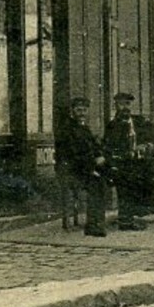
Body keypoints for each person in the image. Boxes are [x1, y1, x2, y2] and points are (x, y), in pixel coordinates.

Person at [103, 92, 154, 231]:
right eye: (121, 104)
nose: (125, 107)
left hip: (140, 163)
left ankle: (143, 212)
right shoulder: (112, 126)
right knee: (127, 178)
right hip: (120, 164)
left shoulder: (139, 122)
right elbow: (108, 147)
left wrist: (149, 145)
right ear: (116, 105)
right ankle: (126, 219)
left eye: (128, 104)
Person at [55, 97, 108, 237]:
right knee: (97, 184)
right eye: (79, 110)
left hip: (83, 167)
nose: (82, 113)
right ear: (72, 111)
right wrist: (93, 165)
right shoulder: (67, 129)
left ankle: (97, 222)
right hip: (72, 170)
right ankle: (92, 225)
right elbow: (74, 153)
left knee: (104, 180)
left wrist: (100, 155)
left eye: (84, 110)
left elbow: (93, 146)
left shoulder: (84, 128)